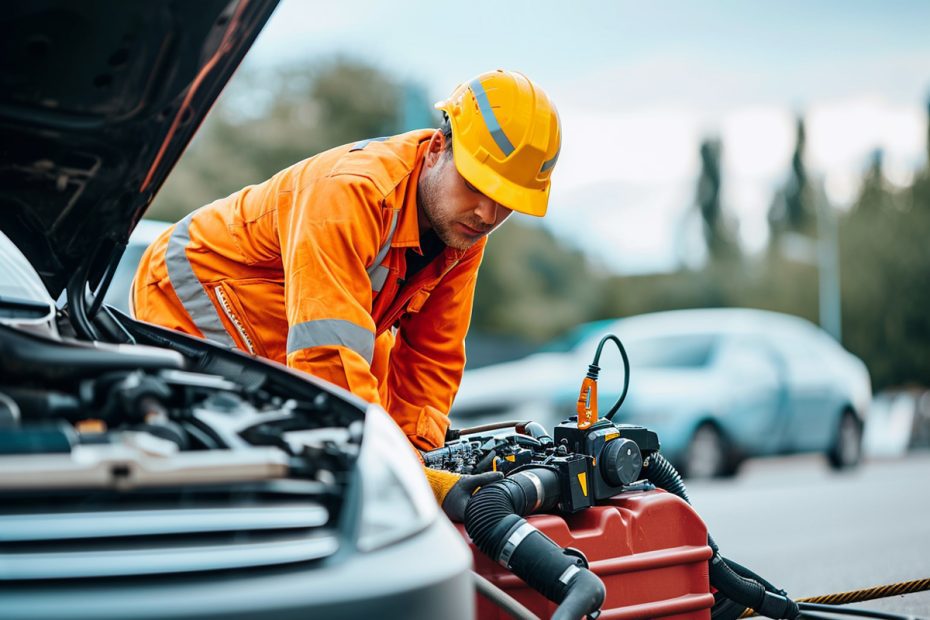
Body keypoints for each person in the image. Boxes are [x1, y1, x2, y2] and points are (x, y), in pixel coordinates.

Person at [131, 69, 562, 520]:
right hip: (190, 285)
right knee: (282, 429)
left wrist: (420, 459)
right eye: (476, 184)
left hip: (287, 309)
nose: (486, 213)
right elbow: (327, 358)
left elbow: (433, 357)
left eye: (506, 201)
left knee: (370, 369)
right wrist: (402, 476)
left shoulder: (463, 235)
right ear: (437, 148)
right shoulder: (350, 192)